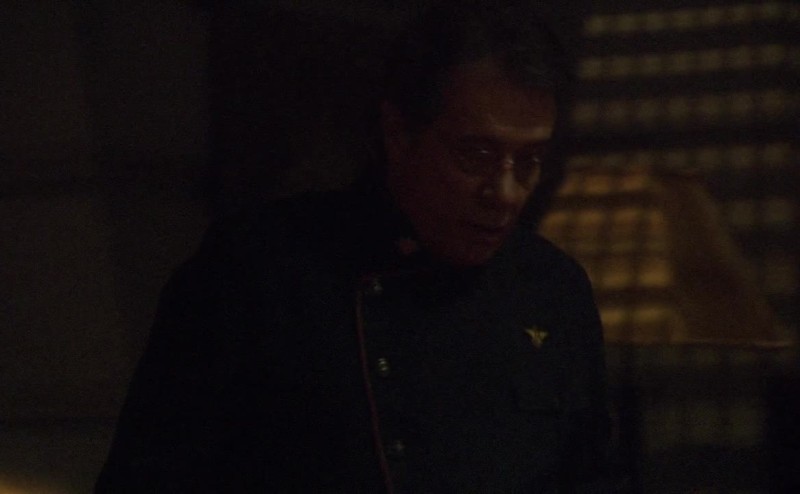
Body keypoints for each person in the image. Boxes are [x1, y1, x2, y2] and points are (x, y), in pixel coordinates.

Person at [95, 1, 615, 492]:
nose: (505, 193)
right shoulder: (258, 274)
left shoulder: (550, 288)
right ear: (398, 133)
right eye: (476, 155)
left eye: (528, 161)